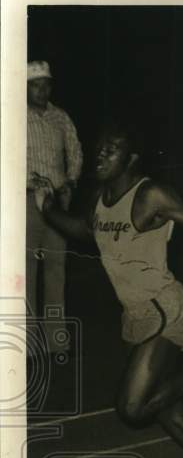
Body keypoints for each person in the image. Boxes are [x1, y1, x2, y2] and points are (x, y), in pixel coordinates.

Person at [38, 121, 183, 458]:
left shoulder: (150, 195)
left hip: (166, 308)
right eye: (99, 147)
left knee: (131, 408)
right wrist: (48, 209)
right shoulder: (101, 196)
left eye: (111, 148)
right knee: (163, 403)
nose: (100, 154)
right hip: (135, 314)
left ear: (131, 158)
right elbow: (85, 230)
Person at [26, 60, 83, 355]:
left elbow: (74, 150)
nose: (42, 89)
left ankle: (55, 339)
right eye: (36, 84)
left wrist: (71, 182)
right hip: (26, 199)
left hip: (57, 202)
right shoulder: (14, 117)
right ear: (25, 87)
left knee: (56, 268)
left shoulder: (60, 117)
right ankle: (29, 344)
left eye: (46, 84)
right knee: (26, 270)